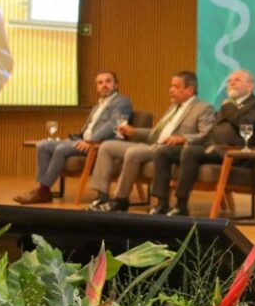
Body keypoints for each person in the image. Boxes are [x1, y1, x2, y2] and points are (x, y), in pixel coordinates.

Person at [85, 71, 216, 212]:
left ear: (189, 89)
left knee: (133, 152)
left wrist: (183, 138)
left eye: (175, 87)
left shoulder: (203, 108)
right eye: (171, 86)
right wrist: (134, 131)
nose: (170, 90)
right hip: (152, 144)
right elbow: (156, 133)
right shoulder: (174, 107)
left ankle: (120, 200)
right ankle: (102, 195)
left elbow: (207, 133)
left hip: (168, 149)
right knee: (106, 146)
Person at [161, 67, 255, 217]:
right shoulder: (229, 104)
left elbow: (246, 125)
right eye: (229, 81)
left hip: (234, 154)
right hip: (213, 149)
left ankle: (181, 204)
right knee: (165, 151)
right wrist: (192, 140)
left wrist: (228, 107)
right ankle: (161, 203)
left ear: (250, 85)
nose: (231, 83)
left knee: (190, 151)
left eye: (236, 80)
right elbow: (212, 130)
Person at [15, 71, 132, 204]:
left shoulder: (122, 102)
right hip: (82, 140)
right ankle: (43, 190)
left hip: (100, 143)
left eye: (108, 81)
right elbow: (87, 129)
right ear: (97, 87)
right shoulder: (97, 106)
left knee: (61, 149)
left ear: (116, 85)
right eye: (100, 82)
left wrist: (91, 140)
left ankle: (43, 191)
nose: (104, 85)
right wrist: (78, 138)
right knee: (43, 145)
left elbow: (114, 124)